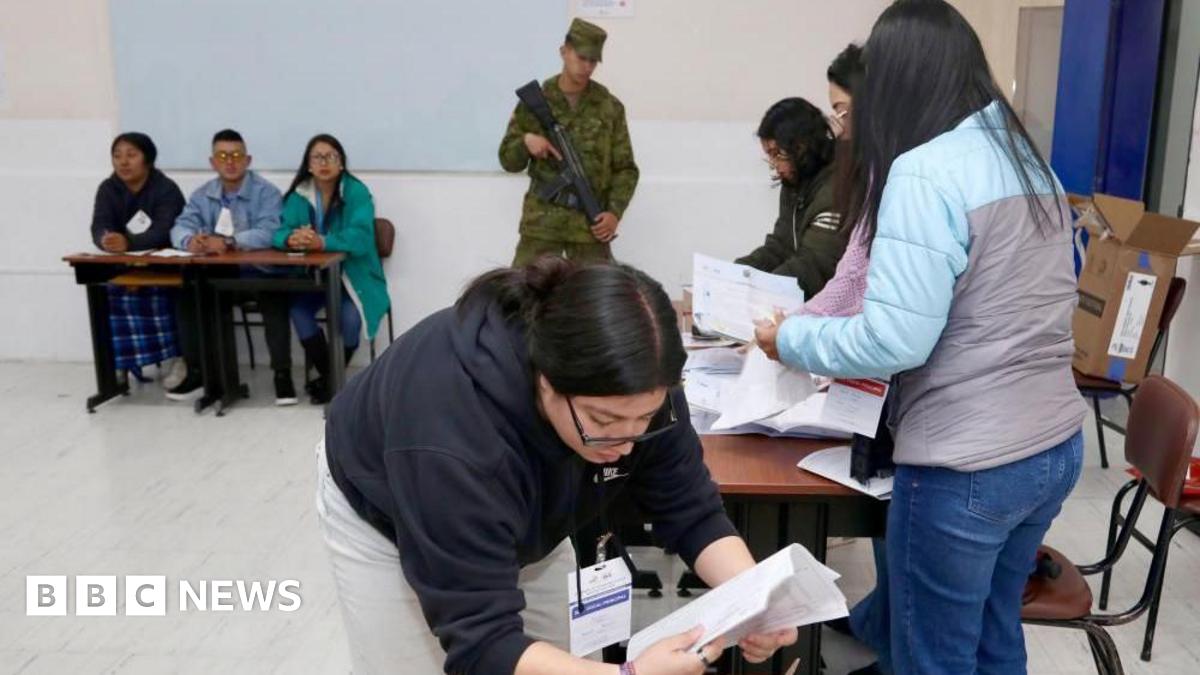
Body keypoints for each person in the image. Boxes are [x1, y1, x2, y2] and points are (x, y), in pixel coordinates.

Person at [755, 2, 1087, 673]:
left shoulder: (926, 169)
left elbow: (894, 340)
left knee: (930, 658)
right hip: (1052, 447)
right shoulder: (1026, 159)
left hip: (967, 464)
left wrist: (793, 341)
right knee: (995, 635)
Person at [317, 257, 798, 674]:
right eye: (603, 421)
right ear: (546, 381)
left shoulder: (639, 374)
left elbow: (692, 511)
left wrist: (752, 598)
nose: (626, 444)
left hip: (529, 512)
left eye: (644, 420)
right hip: (388, 513)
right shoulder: (451, 438)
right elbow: (482, 646)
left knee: (562, 655)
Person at [168, 129, 297, 405]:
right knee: (188, 294)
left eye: (237, 155)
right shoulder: (203, 195)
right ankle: (200, 372)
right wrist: (191, 240)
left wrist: (228, 241)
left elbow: (270, 231)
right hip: (218, 276)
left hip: (259, 272)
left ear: (248, 160)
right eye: (223, 156)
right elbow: (180, 226)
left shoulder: (267, 193)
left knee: (274, 295)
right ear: (212, 162)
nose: (230, 161)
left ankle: (282, 375)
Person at [499, 18, 639, 266]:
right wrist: (526, 141)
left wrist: (614, 214)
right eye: (581, 57)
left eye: (592, 61)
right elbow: (508, 161)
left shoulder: (609, 107)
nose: (586, 66)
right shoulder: (536, 101)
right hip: (542, 227)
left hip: (589, 230)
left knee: (596, 300)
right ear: (564, 52)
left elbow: (626, 169)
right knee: (523, 298)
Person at [274, 134, 390, 404]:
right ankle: (332, 379)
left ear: (341, 163)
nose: (324, 162)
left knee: (350, 319)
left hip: (353, 276)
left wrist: (322, 242)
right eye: (318, 157)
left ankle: (328, 382)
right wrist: (291, 239)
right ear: (309, 164)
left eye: (331, 156)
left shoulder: (356, 192)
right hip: (313, 278)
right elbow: (279, 231)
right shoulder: (299, 194)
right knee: (298, 312)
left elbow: (361, 238)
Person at [90, 132, 187, 383]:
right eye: (117, 156)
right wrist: (106, 239)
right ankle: (120, 362)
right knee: (111, 291)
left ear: (148, 159)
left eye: (131, 155)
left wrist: (129, 242)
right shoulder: (108, 189)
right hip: (125, 264)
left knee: (166, 293)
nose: (123, 162)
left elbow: (166, 229)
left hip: (163, 265)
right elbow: (99, 225)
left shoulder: (166, 189)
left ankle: (179, 358)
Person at [734, 98, 846, 299]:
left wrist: (762, 291)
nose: (774, 165)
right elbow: (781, 245)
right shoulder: (794, 181)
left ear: (801, 146)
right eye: (770, 156)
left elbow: (816, 264)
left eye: (777, 154)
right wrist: (738, 273)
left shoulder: (837, 186)